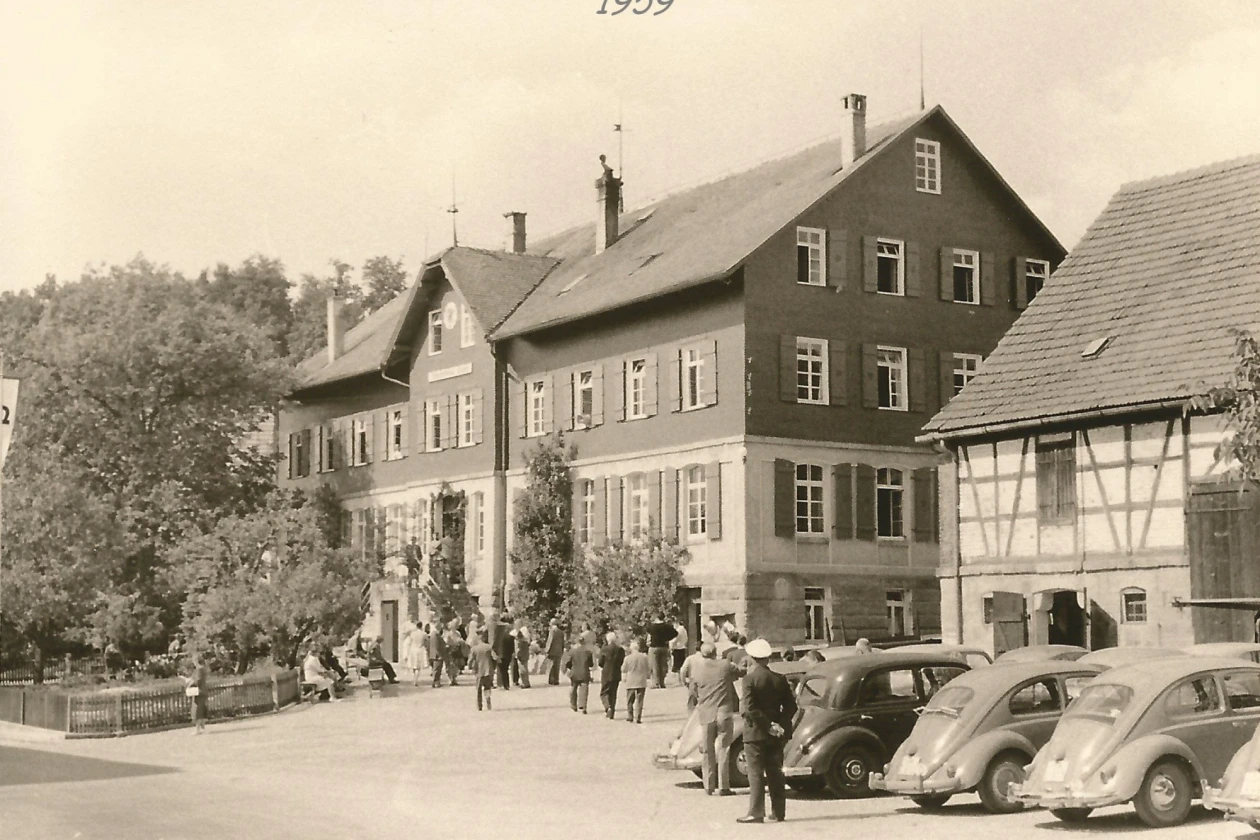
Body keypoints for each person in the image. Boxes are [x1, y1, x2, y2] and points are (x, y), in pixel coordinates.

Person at [738, 638, 797, 824]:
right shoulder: (779, 679)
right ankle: (778, 812)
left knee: (755, 774)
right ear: (768, 658)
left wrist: (768, 725)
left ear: (752, 658)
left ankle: (756, 812)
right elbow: (791, 706)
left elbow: (750, 708)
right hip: (776, 735)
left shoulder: (749, 679)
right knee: (776, 773)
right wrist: (778, 724)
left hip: (755, 733)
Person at [692, 642, 745, 796]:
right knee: (724, 749)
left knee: (708, 750)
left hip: (706, 713)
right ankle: (724, 786)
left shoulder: (698, 669)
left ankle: (708, 785)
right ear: (716, 652)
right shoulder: (725, 665)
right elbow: (742, 672)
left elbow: (694, 690)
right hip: (723, 712)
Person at [561, 635, 595, 713]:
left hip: (574, 673)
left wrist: (566, 669)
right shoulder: (588, 652)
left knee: (573, 688)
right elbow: (591, 664)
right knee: (584, 689)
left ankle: (573, 705)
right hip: (584, 672)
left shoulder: (572, 651)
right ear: (584, 642)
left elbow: (568, 663)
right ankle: (583, 706)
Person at [622, 638, 650, 724]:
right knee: (640, 700)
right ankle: (638, 717)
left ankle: (630, 716)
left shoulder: (627, 658)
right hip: (641, 680)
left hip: (631, 681)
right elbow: (647, 668)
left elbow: (623, 669)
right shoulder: (644, 657)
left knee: (630, 700)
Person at [598, 631, 625, 720]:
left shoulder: (604, 649)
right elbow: (621, 661)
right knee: (613, 693)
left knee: (604, 692)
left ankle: (607, 707)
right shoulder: (620, 650)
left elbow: (600, 662)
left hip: (606, 672)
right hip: (616, 672)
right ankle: (612, 710)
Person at [647, 615, 678, 689]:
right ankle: (662, 682)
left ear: (656, 618)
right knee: (663, 665)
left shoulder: (652, 627)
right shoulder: (667, 626)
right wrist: (668, 638)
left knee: (655, 665)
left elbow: (648, 631)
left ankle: (656, 683)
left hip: (654, 647)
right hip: (664, 646)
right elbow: (675, 633)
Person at [470, 630, 498, 711]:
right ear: (484, 638)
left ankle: (479, 706)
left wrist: (471, 667)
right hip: (488, 671)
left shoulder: (474, 649)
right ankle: (488, 702)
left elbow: (470, 660)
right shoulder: (489, 647)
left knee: (478, 690)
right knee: (487, 688)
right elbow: (495, 657)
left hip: (479, 671)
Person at [184, 655, 210, 735]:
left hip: (199, 692)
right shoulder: (203, 669)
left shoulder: (199, 670)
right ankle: (203, 728)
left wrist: (189, 682)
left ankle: (197, 729)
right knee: (201, 710)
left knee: (198, 711)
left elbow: (197, 681)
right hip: (203, 691)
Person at [678, 644, 707, 712]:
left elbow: (683, 671)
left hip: (693, 681)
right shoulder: (707, 658)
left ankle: (691, 719)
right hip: (705, 681)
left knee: (692, 704)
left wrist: (684, 681)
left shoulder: (690, 658)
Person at [495, 615, 515, 691]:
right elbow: (512, 648)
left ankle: (501, 684)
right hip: (507, 655)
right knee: (505, 670)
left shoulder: (497, 636)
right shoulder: (510, 637)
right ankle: (506, 685)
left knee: (501, 670)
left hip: (500, 654)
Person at [429, 620, 452, 687]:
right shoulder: (435, 634)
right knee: (437, 669)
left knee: (437, 669)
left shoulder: (435, 634)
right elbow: (436, 646)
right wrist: (439, 655)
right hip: (437, 655)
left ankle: (436, 681)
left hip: (437, 654)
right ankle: (436, 682)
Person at [513, 619, 532, 689]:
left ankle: (525, 683)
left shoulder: (520, 641)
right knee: (525, 669)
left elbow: (518, 649)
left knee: (522, 670)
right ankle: (526, 682)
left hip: (521, 655)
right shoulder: (525, 641)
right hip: (525, 655)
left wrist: (517, 655)